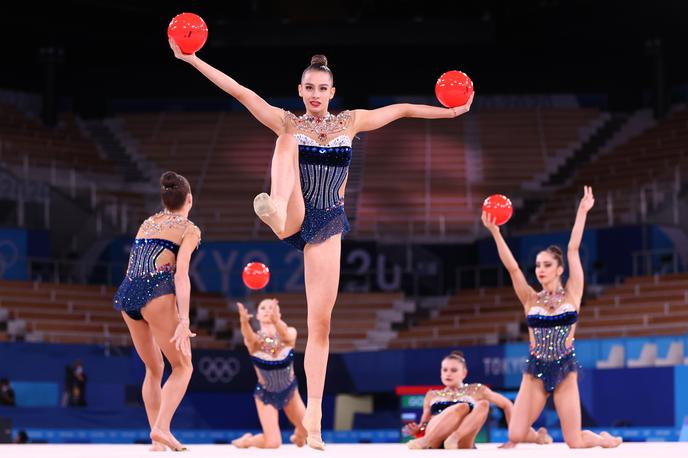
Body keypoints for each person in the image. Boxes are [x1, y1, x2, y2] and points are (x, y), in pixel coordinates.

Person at [170, 42, 474, 449]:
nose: (315, 94)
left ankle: (313, 417)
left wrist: (450, 112)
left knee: (321, 323)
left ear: (332, 92)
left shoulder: (351, 122)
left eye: (322, 88)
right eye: (309, 88)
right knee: (284, 137)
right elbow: (240, 91)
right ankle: (274, 206)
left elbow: (401, 109)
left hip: (328, 221)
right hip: (293, 209)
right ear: (300, 90)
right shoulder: (291, 121)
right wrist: (192, 59)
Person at [482, 186, 622, 448]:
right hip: (535, 371)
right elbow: (512, 268)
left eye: (546, 264)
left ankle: (603, 440)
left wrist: (582, 212)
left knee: (575, 442)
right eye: (537, 265)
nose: (540, 269)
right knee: (514, 434)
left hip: (564, 370)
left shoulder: (573, 294)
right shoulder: (530, 299)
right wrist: (495, 233)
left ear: (559, 269)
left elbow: (573, 248)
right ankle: (540, 436)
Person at [113, 171, 201, 452]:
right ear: (189, 199)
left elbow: (133, 266)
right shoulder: (189, 229)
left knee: (154, 368)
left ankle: (156, 441)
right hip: (155, 293)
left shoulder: (148, 222)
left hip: (128, 294)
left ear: (165, 199)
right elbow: (182, 275)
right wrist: (184, 318)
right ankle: (162, 428)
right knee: (183, 366)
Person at [405, 351, 551, 449]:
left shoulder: (477, 390)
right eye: (444, 370)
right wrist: (418, 430)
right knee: (461, 407)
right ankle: (426, 442)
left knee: (483, 404)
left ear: (464, 373)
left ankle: (536, 437)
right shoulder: (432, 395)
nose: (448, 374)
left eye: (453, 370)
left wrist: (514, 437)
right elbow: (424, 424)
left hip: (461, 441)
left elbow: (506, 404)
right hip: (434, 438)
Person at [231, 299, 307, 448]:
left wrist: (277, 322)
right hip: (266, 394)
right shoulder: (255, 342)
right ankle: (248, 441)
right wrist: (244, 322)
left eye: (272, 308)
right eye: (263, 308)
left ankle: (299, 435)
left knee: (310, 431)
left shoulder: (290, 333)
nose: (267, 310)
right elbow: (248, 337)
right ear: (257, 315)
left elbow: (285, 335)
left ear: (279, 313)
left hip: (290, 391)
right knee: (273, 443)